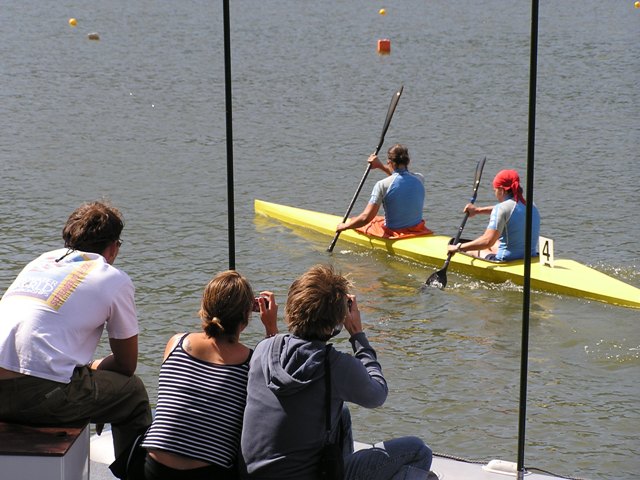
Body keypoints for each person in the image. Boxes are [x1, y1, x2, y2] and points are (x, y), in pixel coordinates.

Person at [240, 264, 433, 480]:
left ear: (291, 308)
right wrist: (358, 335)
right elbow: (378, 394)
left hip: (253, 476)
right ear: (338, 320)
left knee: (341, 414)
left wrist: (272, 330)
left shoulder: (263, 349)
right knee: (418, 451)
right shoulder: (336, 365)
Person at [0, 200, 151, 461]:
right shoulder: (112, 277)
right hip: (38, 395)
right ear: (113, 247)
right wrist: (94, 371)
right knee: (133, 393)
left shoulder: (41, 262)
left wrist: (87, 370)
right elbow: (127, 366)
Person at [138, 270, 278, 480]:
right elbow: (275, 391)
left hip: (154, 466)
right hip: (209, 472)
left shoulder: (176, 343)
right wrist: (271, 328)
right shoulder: (252, 361)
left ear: (204, 308)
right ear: (247, 317)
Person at [336, 144, 432, 238]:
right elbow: (400, 178)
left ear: (389, 162)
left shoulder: (381, 185)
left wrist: (345, 226)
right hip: (418, 229)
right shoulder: (420, 178)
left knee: (358, 221)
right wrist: (380, 166)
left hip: (394, 232)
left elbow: (365, 218)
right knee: (379, 219)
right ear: (408, 161)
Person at [447, 169, 541, 261]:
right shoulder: (531, 205)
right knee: (496, 242)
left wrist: (458, 247)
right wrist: (477, 210)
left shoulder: (501, 209)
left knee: (478, 246)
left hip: (506, 259)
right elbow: (509, 211)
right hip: (530, 256)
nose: (495, 193)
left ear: (501, 190)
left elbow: (487, 242)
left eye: (494, 190)